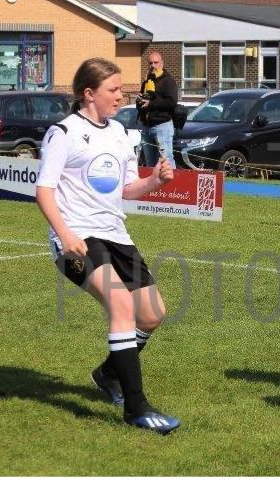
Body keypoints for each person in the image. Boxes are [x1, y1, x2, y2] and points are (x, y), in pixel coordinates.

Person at [35, 57, 180, 435]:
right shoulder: (63, 133)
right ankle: (136, 408)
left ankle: (108, 374)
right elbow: (44, 191)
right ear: (89, 93)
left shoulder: (119, 132)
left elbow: (126, 189)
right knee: (120, 304)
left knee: (152, 314)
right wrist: (65, 235)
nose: (121, 96)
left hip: (116, 234)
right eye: (113, 90)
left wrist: (155, 181)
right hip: (77, 238)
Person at [137, 51, 178, 167]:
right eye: (150, 63)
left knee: (166, 161)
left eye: (156, 62)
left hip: (162, 126)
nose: (153, 65)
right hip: (146, 127)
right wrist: (139, 102)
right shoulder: (147, 81)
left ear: (162, 63)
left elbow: (172, 102)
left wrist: (151, 104)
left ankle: (172, 180)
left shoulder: (168, 81)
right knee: (150, 163)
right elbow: (142, 102)